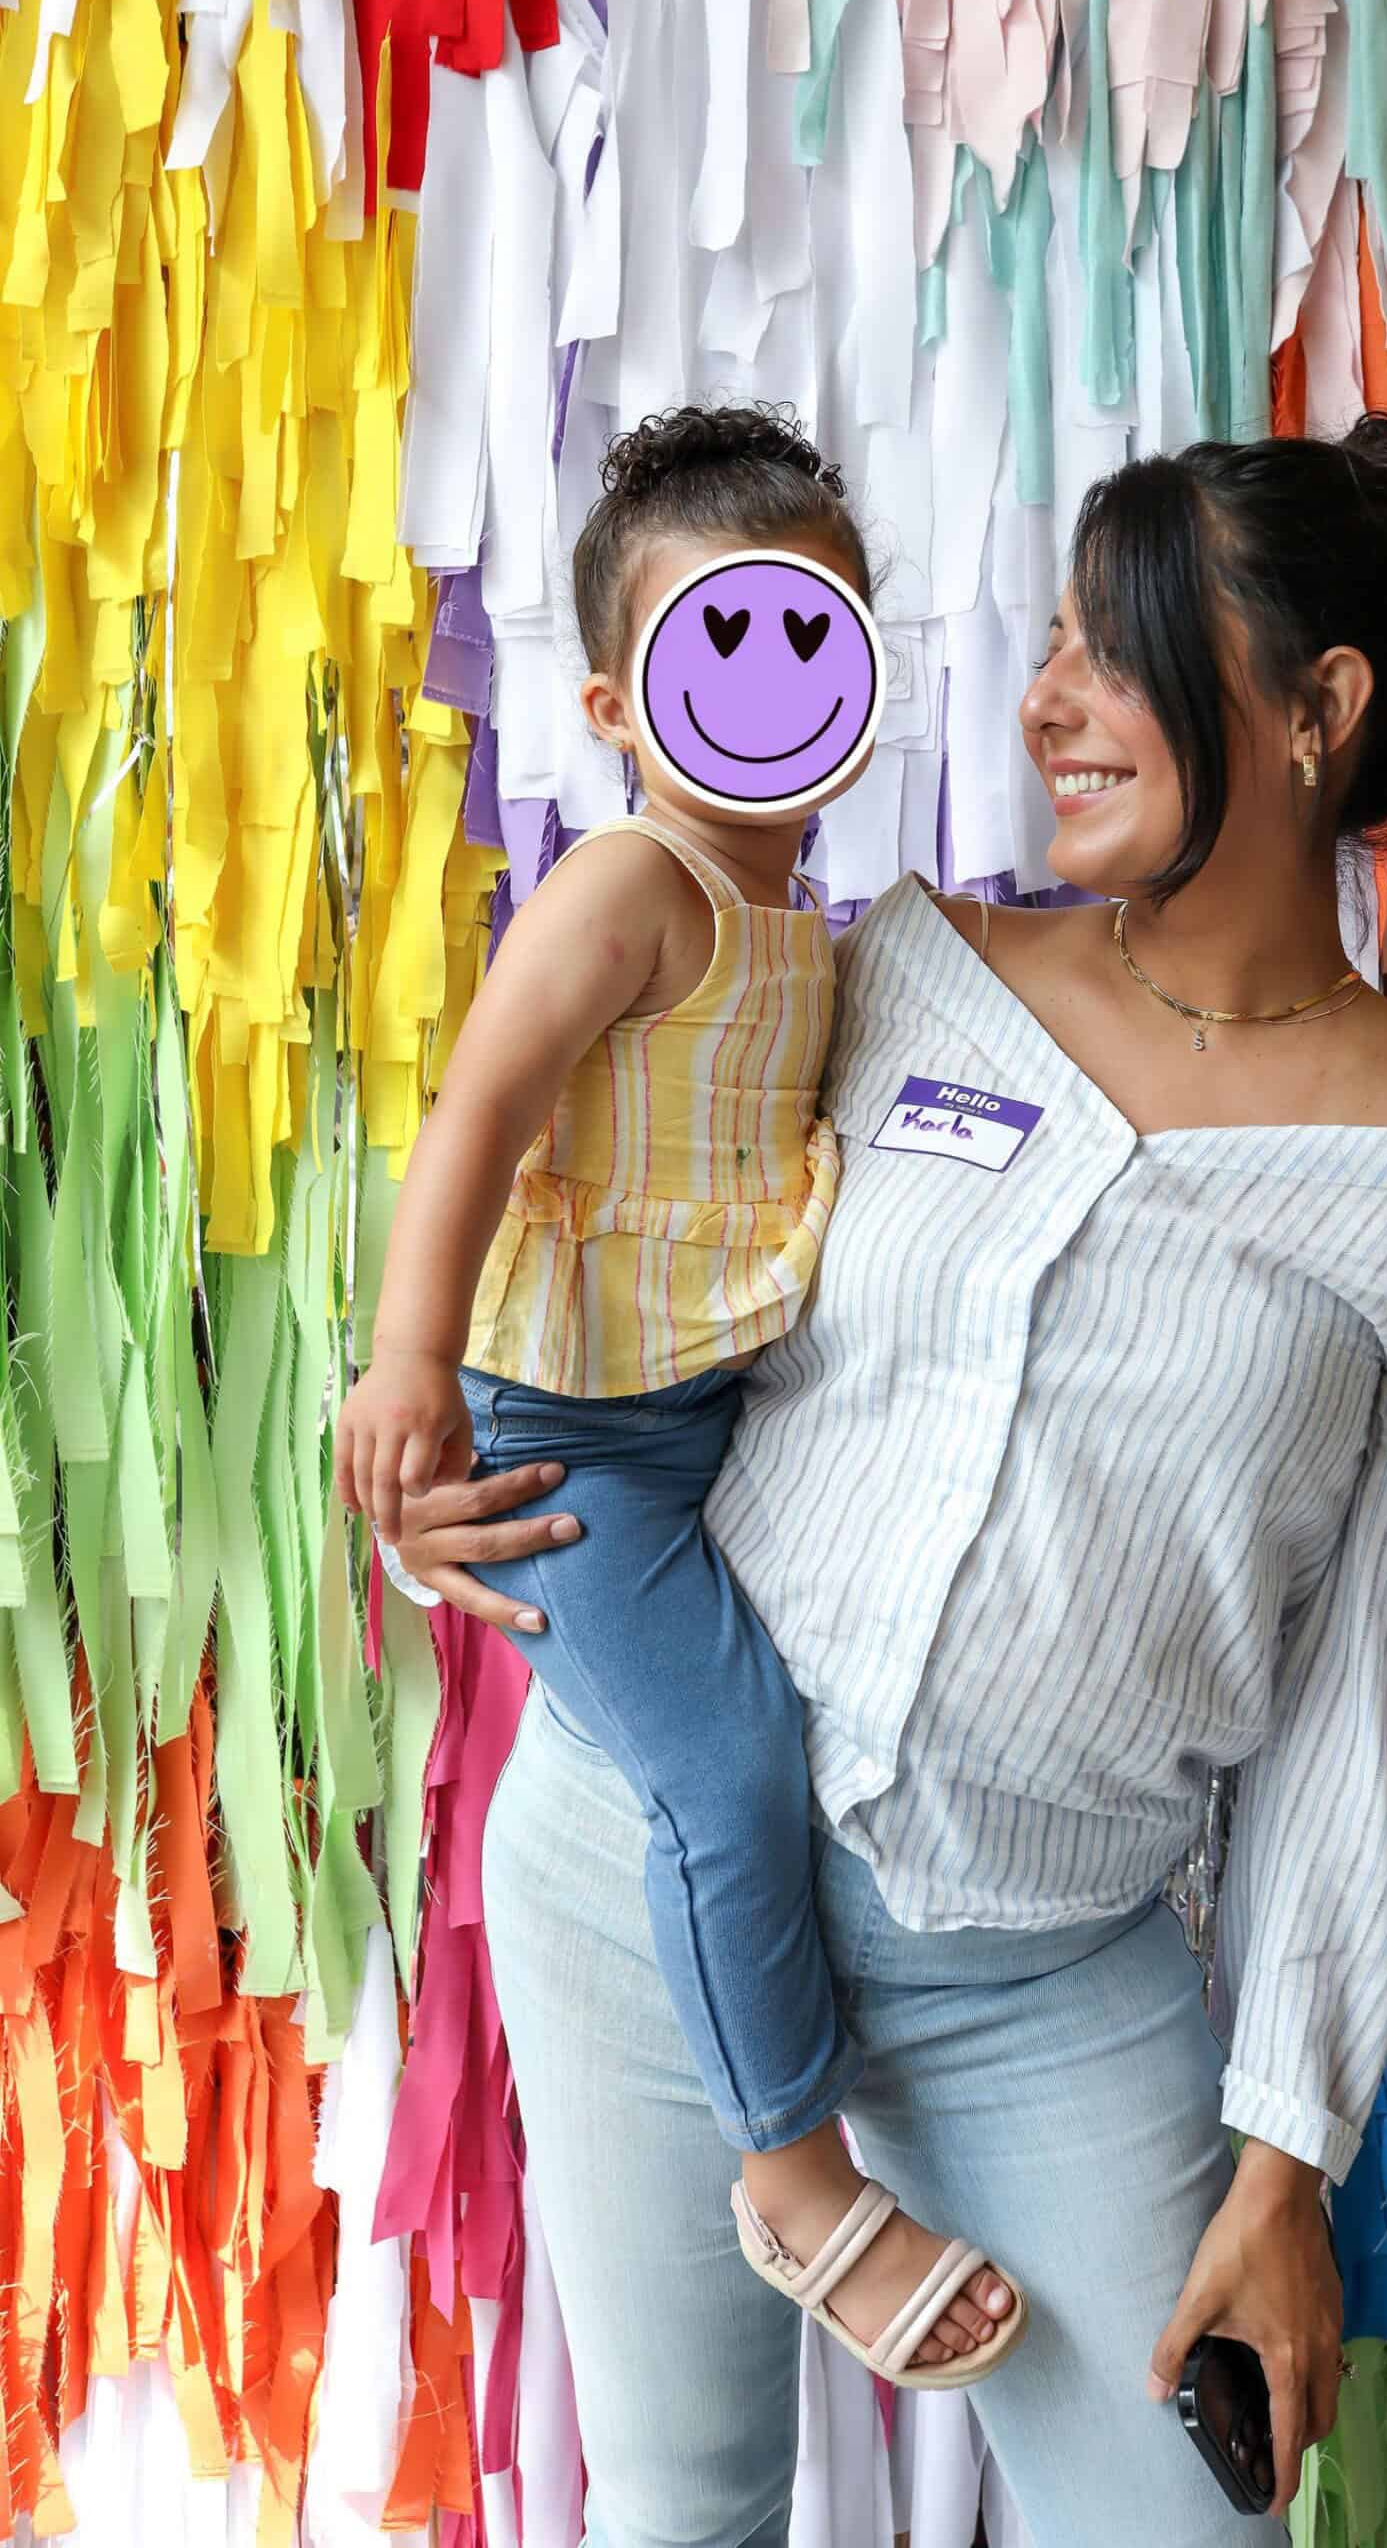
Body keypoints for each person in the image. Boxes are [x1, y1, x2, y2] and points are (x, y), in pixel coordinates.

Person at [385, 414, 1387, 2546]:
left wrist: (1286, 2158)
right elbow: (604, 1186)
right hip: (637, 1871)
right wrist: (439, 1447)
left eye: (1117, 648)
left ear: (1317, 708)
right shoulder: (907, 964)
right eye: (1046, 643)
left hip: (1043, 1970)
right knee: (680, 2504)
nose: (1046, 701)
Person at [339, 403, 1025, 2389]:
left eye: (816, 638)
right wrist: (408, 1361)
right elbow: (480, 1107)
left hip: (707, 1411)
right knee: (728, 1768)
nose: (776, 681)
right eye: (727, 645)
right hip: (574, 1436)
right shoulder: (629, 888)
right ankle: (794, 2172)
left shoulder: (800, 920)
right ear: (615, 708)